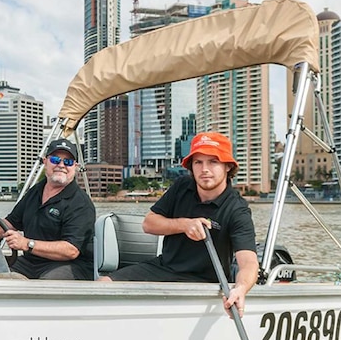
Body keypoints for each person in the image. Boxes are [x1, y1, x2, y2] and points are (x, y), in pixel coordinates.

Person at [99, 132, 258, 316]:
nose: (204, 169)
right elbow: (149, 224)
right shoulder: (182, 186)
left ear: (228, 167)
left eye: (213, 162)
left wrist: (240, 289)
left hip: (206, 282)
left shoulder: (237, 210)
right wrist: (184, 225)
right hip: (164, 268)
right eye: (198, 162)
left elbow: (248, 262)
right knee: (102, 286)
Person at [0, 138, 95, 280]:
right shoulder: (35, 191)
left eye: (67, 162)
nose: (61, 165)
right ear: (45, 162)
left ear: (75, 166)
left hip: (70, 266)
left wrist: (27, 243)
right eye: (55, 160)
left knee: (45, 284)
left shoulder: (81, 203)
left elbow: (71, 250)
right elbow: (11, 222)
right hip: (30, 262)